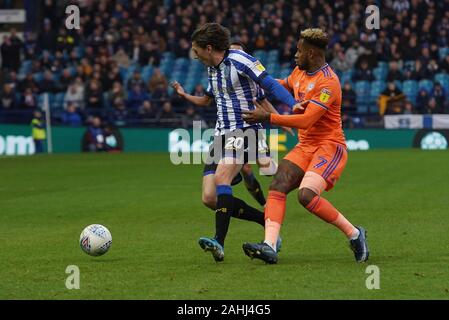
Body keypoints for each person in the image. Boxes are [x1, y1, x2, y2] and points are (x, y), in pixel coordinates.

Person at [171, 23, 300, 262]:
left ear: (208, 48)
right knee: (210, 198)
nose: (195, 56)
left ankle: (218, 241)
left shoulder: (242, 60)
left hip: (245, 131)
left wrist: (292, 106)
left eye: (196, 50)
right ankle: (266, 221)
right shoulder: (211, 68)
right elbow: (208, 100)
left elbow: (269, 84)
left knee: (222, 179)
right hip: (221, 134)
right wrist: (184, 94)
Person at [241, 28, 369, 264]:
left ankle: (354, 233)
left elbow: (307, 120)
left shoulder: (328, 83)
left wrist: (268, 117)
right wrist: (255, 85)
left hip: (330, 146)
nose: (294, 55)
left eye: (298, 51)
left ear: (311, 53)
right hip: (305, 145)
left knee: (306, 195)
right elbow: (282, 85)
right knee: (277, 186)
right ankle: (269, 245)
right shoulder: (299, 73)